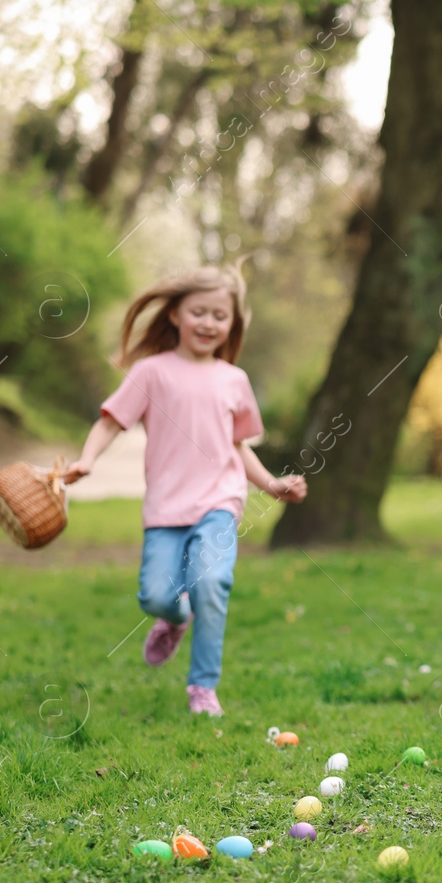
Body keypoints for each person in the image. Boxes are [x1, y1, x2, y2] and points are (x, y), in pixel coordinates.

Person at [62, 265, 307, 716]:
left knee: (212, 582)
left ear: (232, 324)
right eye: (199, 312)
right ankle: (176, 617)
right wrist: (87, 459)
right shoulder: (151, 372)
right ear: (175, 314)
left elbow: (238, 446)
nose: (209, 323)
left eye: (220, 315)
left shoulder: (234, 380)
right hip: (165, 508)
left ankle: (202, 688)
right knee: (156, 596)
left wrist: (271, 484)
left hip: (219, 502)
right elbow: (112, 420)